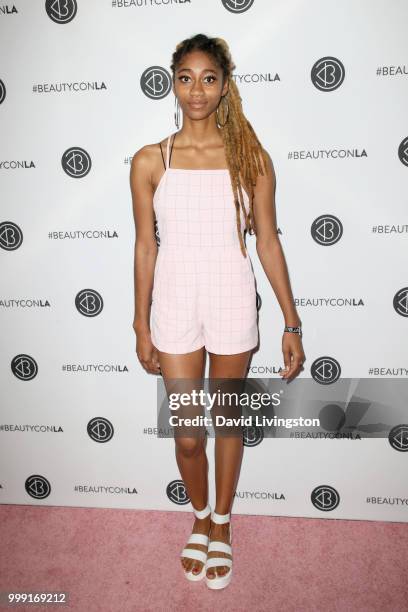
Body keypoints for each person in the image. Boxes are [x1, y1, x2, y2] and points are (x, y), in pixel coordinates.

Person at [130, 33, 306, 590]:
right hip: (174, 302)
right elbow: (144, 247)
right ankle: (199, 517)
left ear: (225, 85)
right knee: (187, 434)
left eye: (208, 78)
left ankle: (223, 525)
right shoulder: (149, 161)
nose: (196, 90)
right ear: (172, 83)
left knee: (227, 421)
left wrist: (291, 323)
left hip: (232, 297)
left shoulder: (250, 158)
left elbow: (269, 243)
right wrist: (140, 323)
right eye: (186, 78)